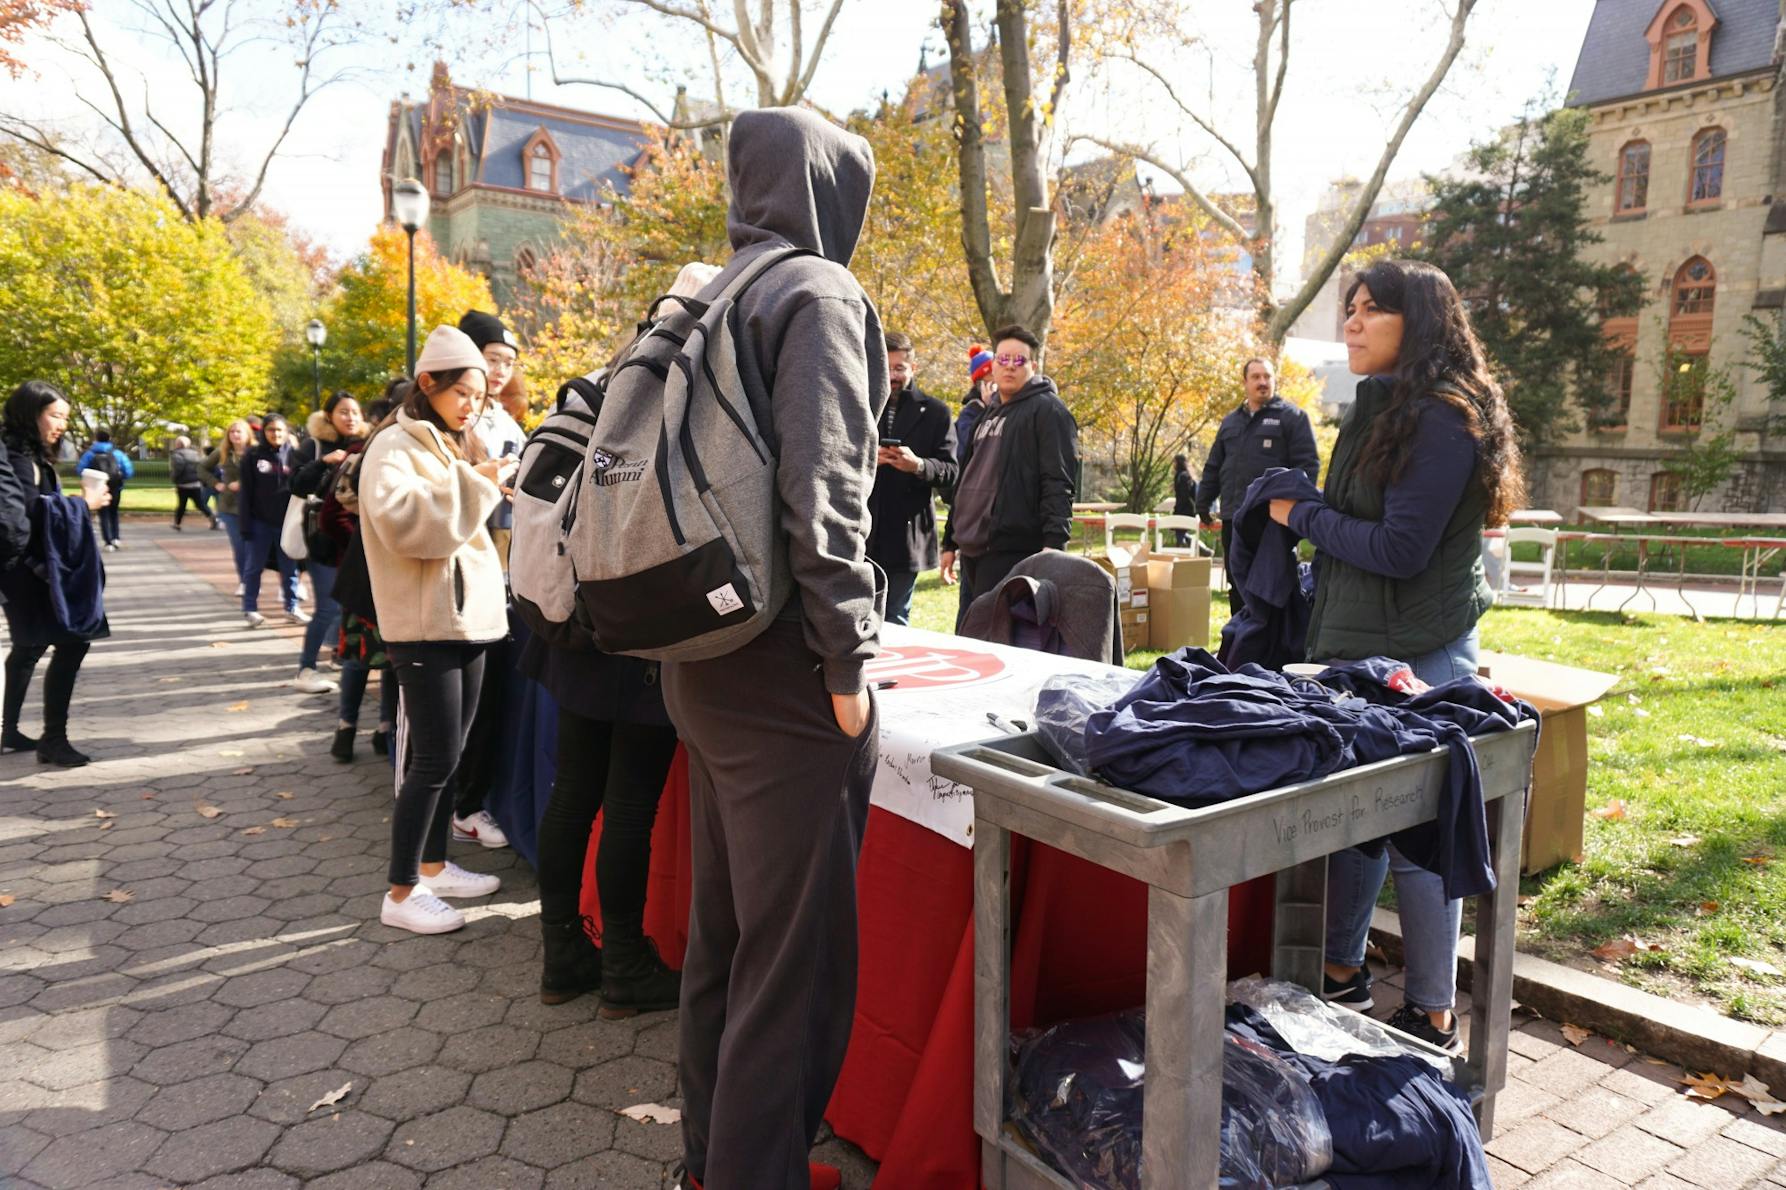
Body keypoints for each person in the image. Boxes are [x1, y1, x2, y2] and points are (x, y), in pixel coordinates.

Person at [664, 107, 883, 1190]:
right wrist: (847, 659)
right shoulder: (818, 293)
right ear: (832, 190)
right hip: (783, 662)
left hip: (698, 649)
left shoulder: (708, 293)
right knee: (793, 965)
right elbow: (824, 491)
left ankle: (714, 1161)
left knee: (727, 938)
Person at [1266, 258, 1525, 1053]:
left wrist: (1301, 516)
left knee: (1420, 839)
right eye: (1349, 307)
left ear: (1421, 323)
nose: (1351, 321)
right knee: (1357, 821)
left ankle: (1432, 1016)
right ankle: (1341, 972)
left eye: (1371, 309)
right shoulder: (1381, 406)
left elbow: (1402, 549)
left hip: (1419, 656)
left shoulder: (1442, 417)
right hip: (1360, 649)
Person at [359, 326, 516, 935]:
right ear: (428, 383)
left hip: (466, 620)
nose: (472, 404)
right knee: (432, 759)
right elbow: (407, 527)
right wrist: (479, 481)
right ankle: (401, 893)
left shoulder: (448, 442)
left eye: (479, 395)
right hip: (425, 626)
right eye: (462, 393)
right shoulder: (393, 445)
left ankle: (432, 866)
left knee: (450, 755)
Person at [447, 309, 526, 851]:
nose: (499, 371)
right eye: (491, 359)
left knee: (485, 700)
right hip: (456, 579)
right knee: (450, 712)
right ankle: (445, 818)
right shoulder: (444, 422)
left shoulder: (503, 419)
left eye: (507, 363)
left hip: (501, 575)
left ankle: (466, 802)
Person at [938, 325, 1079, 630]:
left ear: (1033, 366)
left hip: (1013, 549)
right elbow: (966, 479)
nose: (1010, 367)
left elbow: (1059, 481)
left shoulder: (1049, 412)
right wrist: (949, 541)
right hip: (972, 548)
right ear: (993, 365)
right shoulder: (988, 413)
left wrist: (1054, 543)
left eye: (1019, 360)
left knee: (999, 639)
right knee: (970, 636)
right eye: (1003, 359)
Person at [2, 381, 111, 766]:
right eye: (55, 415)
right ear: (30, 413)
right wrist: (84, 503)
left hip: (25, 568)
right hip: (26, 570)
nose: (61, 424)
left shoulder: (25, 452)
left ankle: (10, 730)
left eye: (65, 417)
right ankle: (53, 739)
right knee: (73, 640)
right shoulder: (16, 457)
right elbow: (28, 512)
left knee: (29, 646)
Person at [1197, 356, 1320, 614]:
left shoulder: (1292, 418)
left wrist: (1294, 509)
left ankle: (1276, 639)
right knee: (1237, 581)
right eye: (1256, 377)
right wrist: (1203, 502)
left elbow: (1307, 467)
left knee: (1274, 583)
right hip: (1233, 517)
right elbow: (1214, 465)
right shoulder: (1230, 422)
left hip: (1272, 520)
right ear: (1245, 382)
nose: (1262, 382)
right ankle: (1240, 635)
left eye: (1267, 376)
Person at [323, 395, 399, 763]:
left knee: (391, 657)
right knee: (359, 656)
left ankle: (383, 729)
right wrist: (366, 541)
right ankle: (347, 728)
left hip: (391, 578)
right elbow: (330, 516)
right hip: (364, 577)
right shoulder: (364, 454)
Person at [867, 331, 957, 626]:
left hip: (907, 535)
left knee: (895, 619)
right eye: (887, 367)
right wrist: (867, 458)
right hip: (864, 531)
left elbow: (950, 471)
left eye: (900, 368)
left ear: (913, 368)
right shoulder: (862, 407)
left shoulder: (936, 412)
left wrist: (917, 465)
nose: (893, 375)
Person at [288, 393, 366, 694]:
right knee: (327, 608)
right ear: (329, 416)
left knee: (348, 604)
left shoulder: (366, 444)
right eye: (343, 412)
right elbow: (296, 484)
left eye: (355, 412)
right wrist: (323, 463)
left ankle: (341, 656)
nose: (350, 417)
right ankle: (306, 669)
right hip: (324, 539)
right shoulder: (315, 445)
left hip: (355, 538)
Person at [238, 413, 305, 629]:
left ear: (286, 432)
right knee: (254, 567)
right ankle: (250, 609)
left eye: (279, 430)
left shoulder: (294, 456)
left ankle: (292, 607)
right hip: (259, 522)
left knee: (290, 568)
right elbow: (246, 492)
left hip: (287, 523)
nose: (275, 434)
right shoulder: (252, 456)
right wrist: (245, 524)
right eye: (271, 430)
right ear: (264, 432)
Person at [203, 419, 253, 597]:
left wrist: (243, 483)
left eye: (239, 431)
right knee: (239, 546)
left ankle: (253, 579)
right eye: (232, 432)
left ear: (247, 434)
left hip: (253, 506)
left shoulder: (255, 452)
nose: (235, 435)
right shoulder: (222, 452)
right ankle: (244, 581)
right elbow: (202, 468)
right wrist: (215, 483)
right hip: (230, 506)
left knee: (254, 546)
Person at [77, 427, 132, 551]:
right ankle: (116, 537)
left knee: (103, 514)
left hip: (98, 487)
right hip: (115, 486)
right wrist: (122, 477)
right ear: (109, 438)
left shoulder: (90, 454)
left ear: (96, 439)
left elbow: (80, 470)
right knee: (114, 512)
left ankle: (108, 542)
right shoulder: (117, 453)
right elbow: (128, 470)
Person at [953, 343, 997, 451]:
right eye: (992, 374)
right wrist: (991, 409)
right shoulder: (970, 412)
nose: (997, 378)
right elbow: (971, 445)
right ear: (980, 383)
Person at [167, 435, 216, 531]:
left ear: (178, 444)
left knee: (182, 505)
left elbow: (178, 468)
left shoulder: (177, 455)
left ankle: (177, 523)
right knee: (200, 504)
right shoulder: (195, 454)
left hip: (183, 484)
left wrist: (174, 478)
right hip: (195, 483)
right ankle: (211, 516)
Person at [1171, 453, 1195, 547]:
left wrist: (1178, 508)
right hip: (1188, 508)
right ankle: (1204, 550)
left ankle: (1182, 545)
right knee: (1181, 532)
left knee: (1180, 531)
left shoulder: (1181, 476)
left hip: (1183, 509)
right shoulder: (1187, 475)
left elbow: (1184, 495)